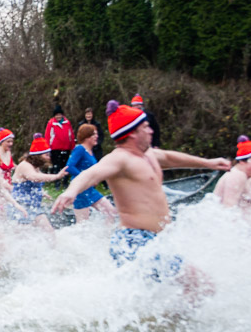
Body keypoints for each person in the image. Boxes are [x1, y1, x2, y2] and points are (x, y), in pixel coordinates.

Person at [53, 101, 231, 305]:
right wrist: (71, 191)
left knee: (156, 300)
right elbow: (91, 174)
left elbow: (170, 158)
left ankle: (158, 328)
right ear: (132, 133)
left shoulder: (149, 155)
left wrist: (207, 163)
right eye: (145, 127)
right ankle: (168, 330)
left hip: (154, 241)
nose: (151, 130)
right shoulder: (119, 159)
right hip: (135, 241)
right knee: (200, 285)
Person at [55, 124, 117, 224]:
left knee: (111, 212)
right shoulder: (80, 149)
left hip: (90, 189)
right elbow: (69, 167)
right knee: (82, 224)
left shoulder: (91, 151)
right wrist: (85, 178)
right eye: (94, 134)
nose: (97, 136)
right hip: (80, 189)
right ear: (87, 136)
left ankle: (105, 236)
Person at [12, 134, 67, 231]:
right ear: (38, 155)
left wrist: (41, 193)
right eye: (46, 155)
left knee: (49, 233)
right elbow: (34, 178)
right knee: (24, 237)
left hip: (33, 207)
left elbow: (33, 184)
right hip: (22, 207)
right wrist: (56, 176)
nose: (49, 157)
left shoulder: (35, 167)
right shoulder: (25, 165)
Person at [44, 108, 74, 175]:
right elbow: (47, 136)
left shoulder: (67, 122)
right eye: (57, 115)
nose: (58, 116)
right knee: (56, 165)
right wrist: (47, 148)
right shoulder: (51, 123)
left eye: (59, 115)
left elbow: (71, 134)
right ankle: (56, 181)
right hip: (55, 148)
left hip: (66, 147)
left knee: (65, 164)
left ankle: (64, 181)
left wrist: (72, 145)